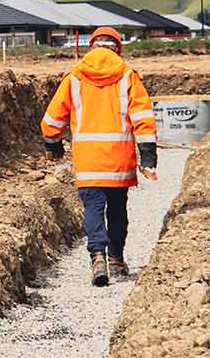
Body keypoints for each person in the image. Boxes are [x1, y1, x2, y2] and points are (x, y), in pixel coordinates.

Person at [41, 26, 157, 286]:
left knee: (93, 208)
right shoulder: (127, 76)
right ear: (118, 48)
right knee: (117, 210)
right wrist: (148, 157)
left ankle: (97, 256)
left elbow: (52, 118)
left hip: (88, 161)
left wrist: (53, 146)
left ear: (91, 46)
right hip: (118, 159)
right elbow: (143, 118)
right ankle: (115, 258)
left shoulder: (74, 77)